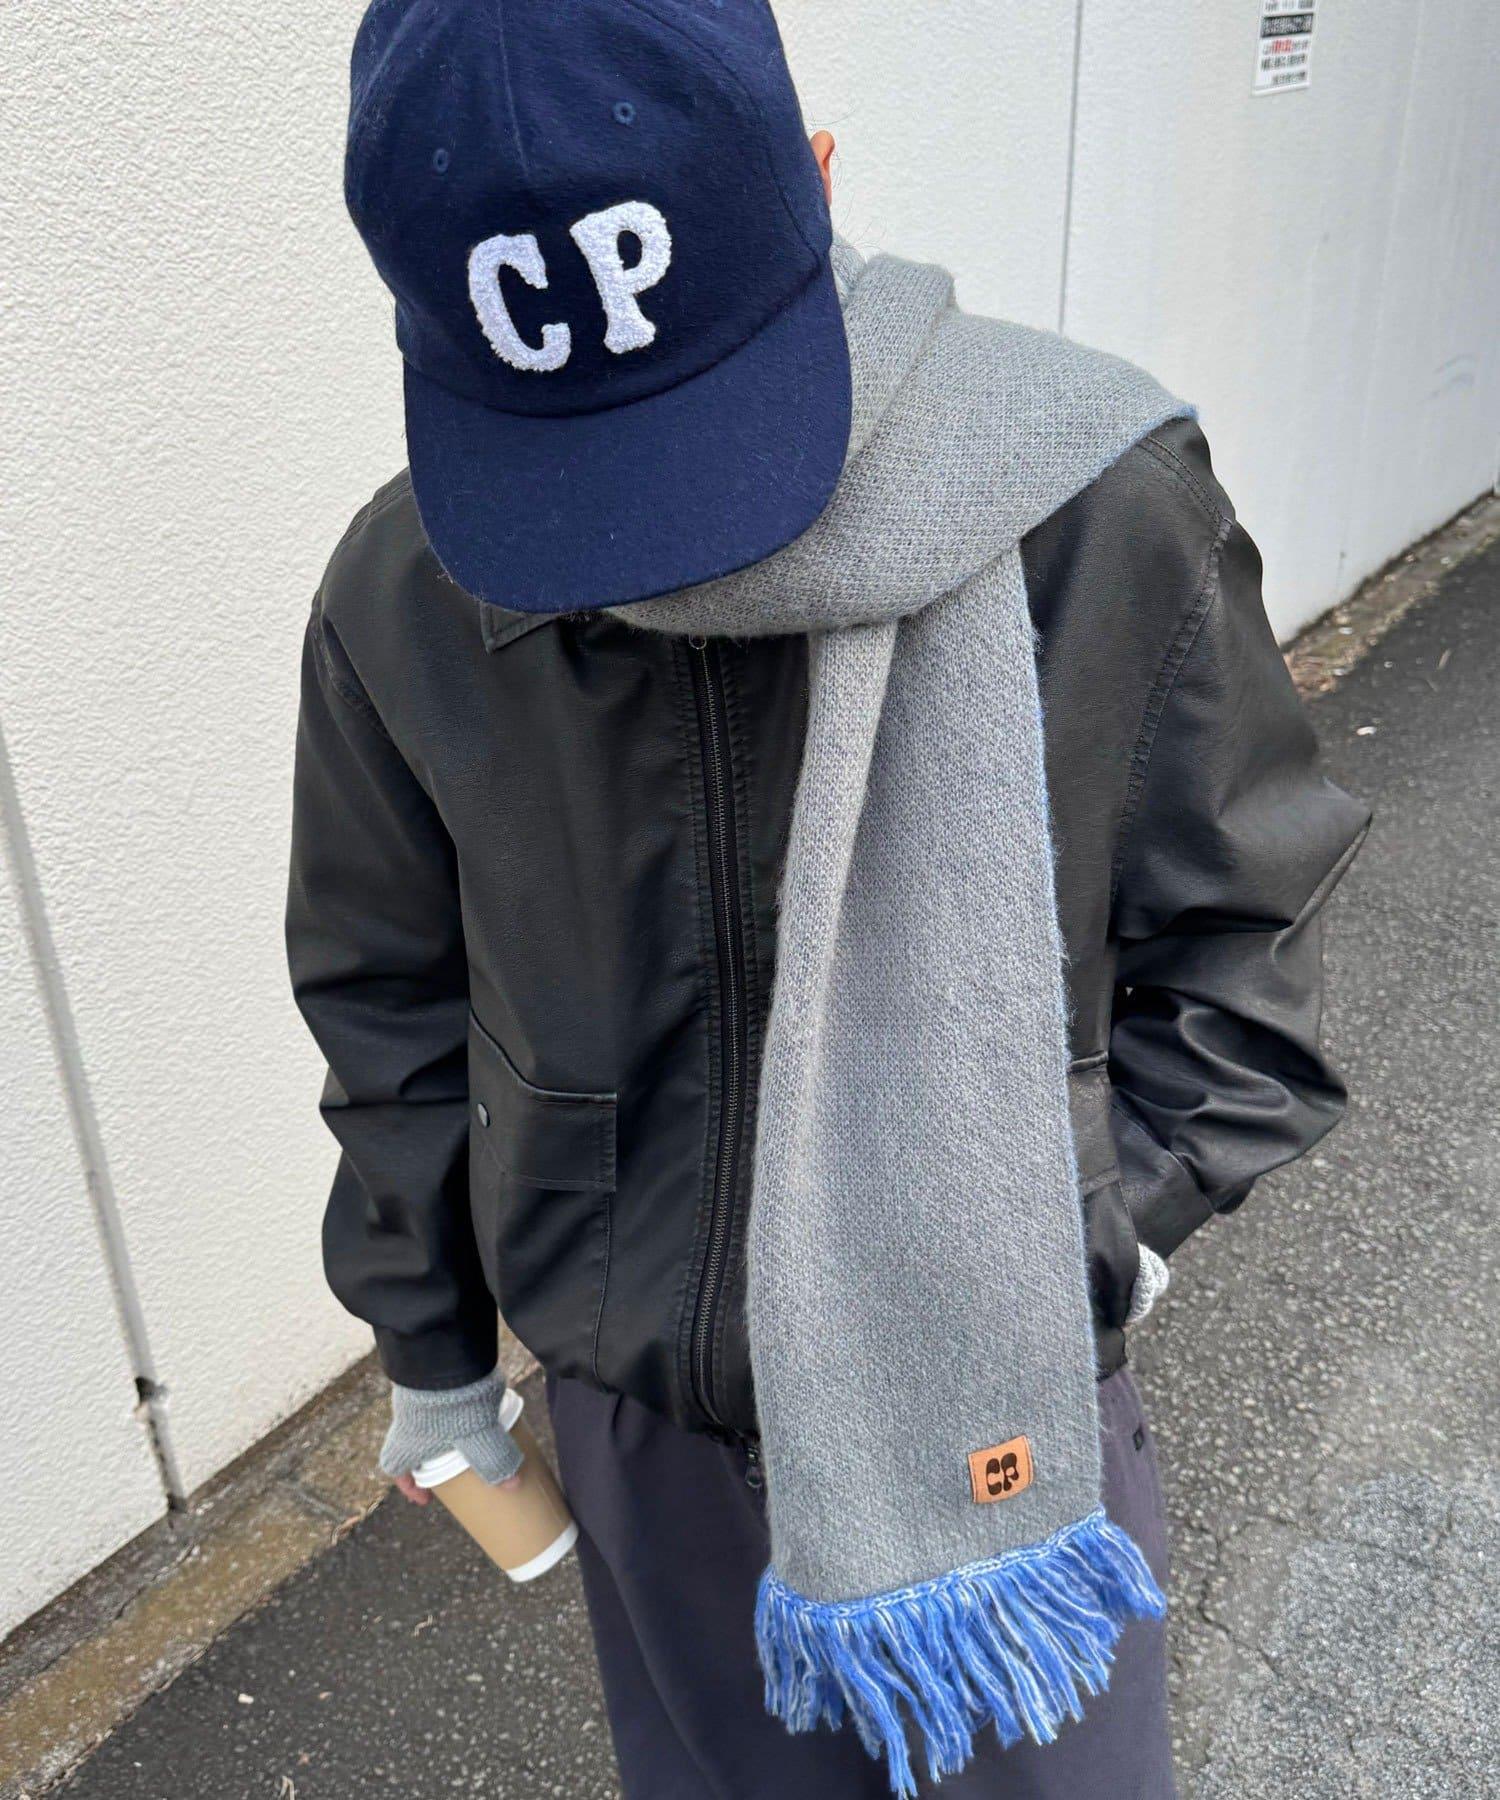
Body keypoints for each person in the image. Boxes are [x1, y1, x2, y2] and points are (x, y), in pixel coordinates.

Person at [287, 1, 1369, 1794]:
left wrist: (1085, 1234)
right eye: (575, 455)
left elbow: (1247, 942)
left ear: (818, 177)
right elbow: (386, 998)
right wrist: (432, 1349)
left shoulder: (1088, 508)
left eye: (697, 411)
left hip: (1003, 1383)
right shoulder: (407, 593)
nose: (654, 541)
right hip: (647, 1434)